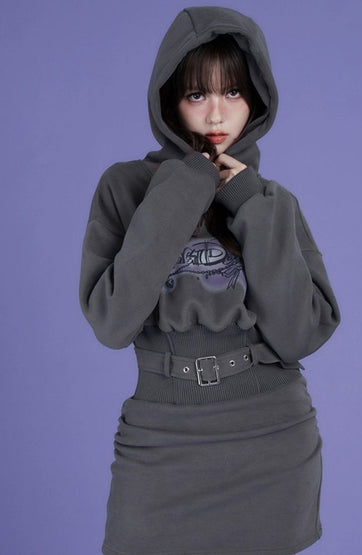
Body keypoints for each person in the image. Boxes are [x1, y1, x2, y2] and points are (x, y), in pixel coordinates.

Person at [79, 6, 340, 555]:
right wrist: (185, 184)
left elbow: (298, 335)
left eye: (234, 92)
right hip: (162, 437)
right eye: (197, 94)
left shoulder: (272, 202)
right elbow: (112, 323)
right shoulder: (125, 187)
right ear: (169, 100)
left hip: (271, 436)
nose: (217, 113)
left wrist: (246, 203)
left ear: (257, 99)